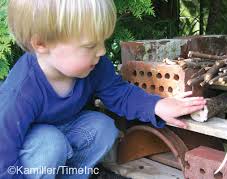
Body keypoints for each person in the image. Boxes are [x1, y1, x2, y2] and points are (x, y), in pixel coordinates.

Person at [0, 0, 206, 178]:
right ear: (41, 44)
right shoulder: (20, 91)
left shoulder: (95, 65)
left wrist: (157, 106)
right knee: (50, 144)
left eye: (102, 41)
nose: (102, 51)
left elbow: (119, 93)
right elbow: (4, 152)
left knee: (103, 128)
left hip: (66, 130)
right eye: (90, 45)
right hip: (31, 149)